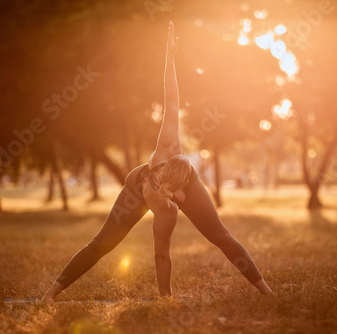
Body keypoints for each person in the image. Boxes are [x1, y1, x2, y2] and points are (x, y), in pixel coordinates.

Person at [41, 21, 275, 303]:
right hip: (138, 190)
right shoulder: (164, 183)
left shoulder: (172, 174)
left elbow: (173, 100)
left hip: (166, 187)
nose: (180, 201)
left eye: (181, 194)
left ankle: (266, 290)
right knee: (101, 244)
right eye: (177, 196)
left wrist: (165, 300)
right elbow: (171, 99)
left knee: (222, 236)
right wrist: (169, 56)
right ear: (159, 172)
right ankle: (51, 292)